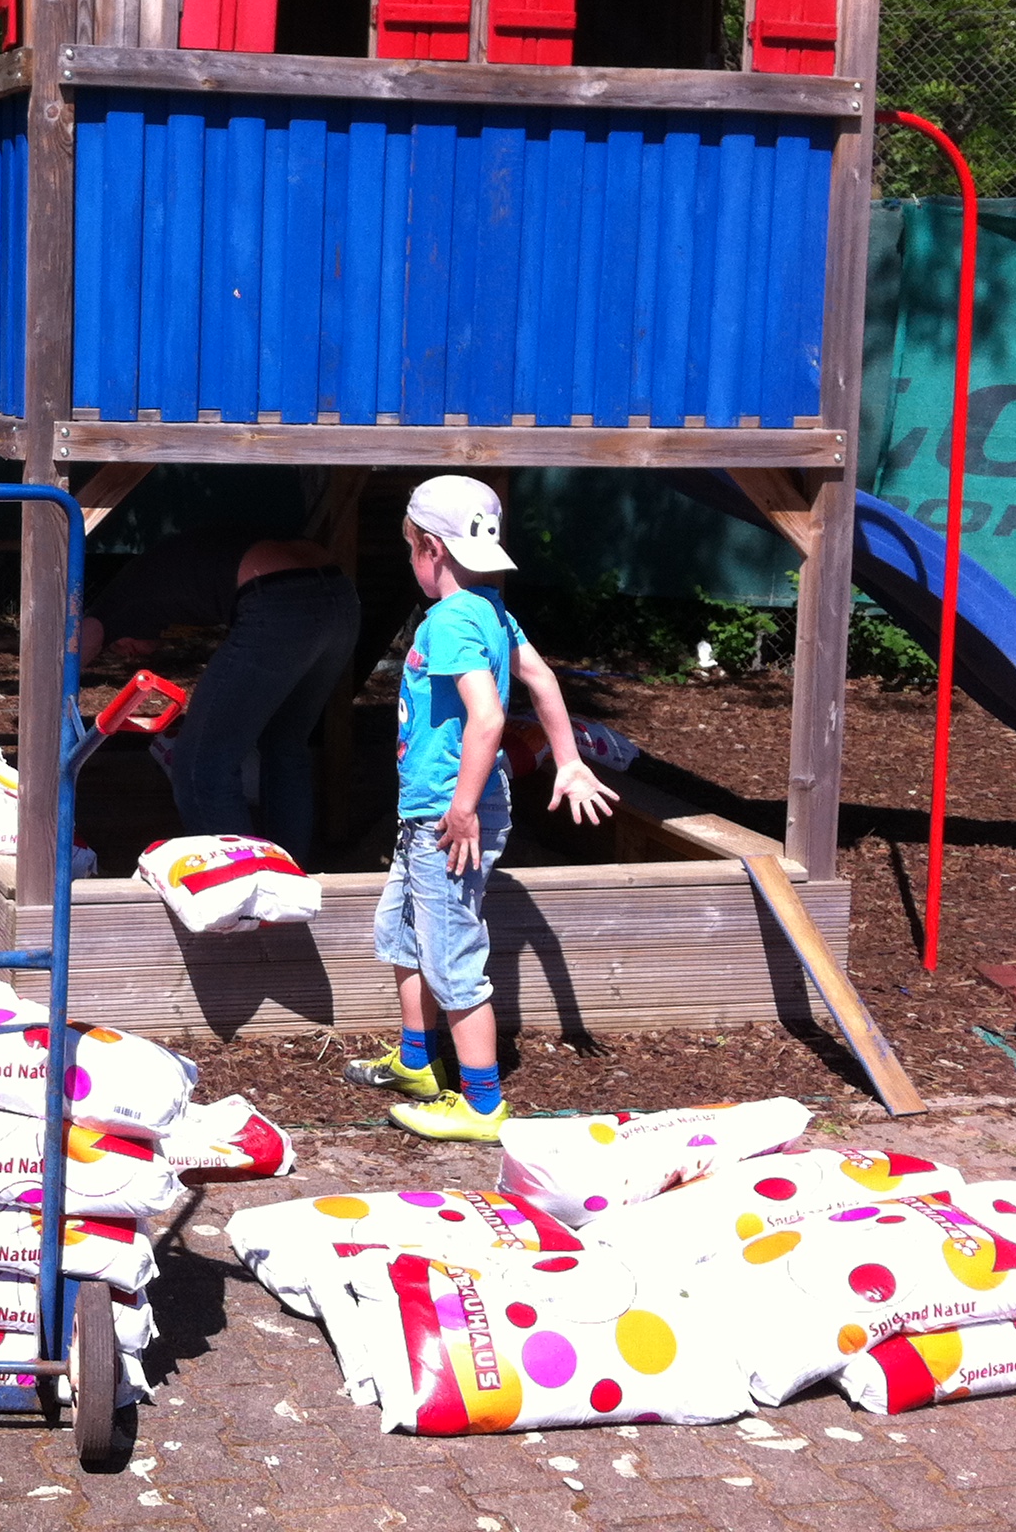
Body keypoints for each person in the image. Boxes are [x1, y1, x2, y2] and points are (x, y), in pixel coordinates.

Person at [345, 475, 619, 1143]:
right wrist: (568, 758)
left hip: (449, 817)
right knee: (402, 935)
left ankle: (482, 1104)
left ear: (430, 549)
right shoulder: (492, 609)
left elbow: (489, 717)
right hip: (433, 814)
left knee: (452, 958)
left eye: (410, 548)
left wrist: (464, 809)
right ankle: (417, 1063)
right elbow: (541, 678)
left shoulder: (448, 620)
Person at [77, 527, 361, 864]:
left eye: (119, 648)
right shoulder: (162, 575)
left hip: (279, 601)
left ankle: (242, 880)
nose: (127, 654)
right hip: (340, 597)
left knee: (201, 766)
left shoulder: (114, 605)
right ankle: (290, 875)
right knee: (284, 746)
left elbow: (73, 650)